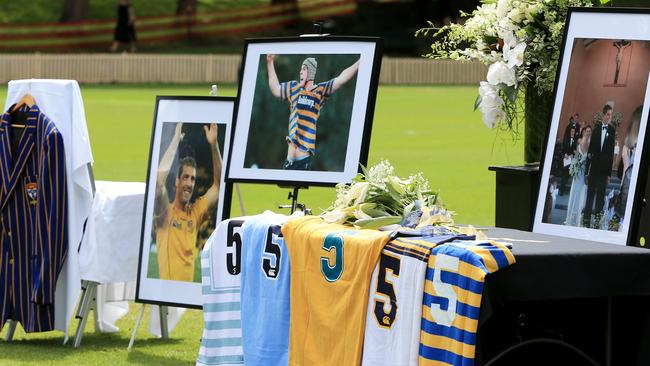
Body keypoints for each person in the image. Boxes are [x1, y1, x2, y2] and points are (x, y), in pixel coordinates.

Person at [266, 54, 360, 170]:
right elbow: (275, 89)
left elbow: (341, 79)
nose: (301, 72)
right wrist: (270, 62)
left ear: (310, 72)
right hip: (290, 157)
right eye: (301, 69)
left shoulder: (320, 91)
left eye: (304, 69)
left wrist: (359, 63)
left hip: (303, 157)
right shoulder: (294, 88)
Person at [154, 123, 222, 281]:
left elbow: (219, 185)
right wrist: (175, 141)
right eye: (185, 177)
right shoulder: (165, 211)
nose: (189, 183)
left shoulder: (195, 212)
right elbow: (158, 182)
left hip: (186, 300)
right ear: (177, 181)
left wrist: (214, 145)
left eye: (192, 179)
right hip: (167, 298)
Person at [583, 104, 616, 228]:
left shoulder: (612, 130)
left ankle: (596, 221)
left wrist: (608, 174)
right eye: (608, 114)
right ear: (603, 115)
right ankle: (586, 220)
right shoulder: (596, 129)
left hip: (603, 171)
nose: (609, 117)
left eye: (611, 115)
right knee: (590, 194)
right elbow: (591, 151)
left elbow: (611, 153)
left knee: (601, 196)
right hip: (594, 169)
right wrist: (587, 169)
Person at [564, 126, 591, 226]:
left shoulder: (590, 144)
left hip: (584, 172)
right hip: (578, 172)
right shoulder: (580, 142)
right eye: (586, 131)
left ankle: (578, 216)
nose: (588, 132)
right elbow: (576, 156)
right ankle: (570, 216)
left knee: (581, 193)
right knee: (574, 192)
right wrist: (574, 166)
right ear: (584, 132)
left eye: (589, 131)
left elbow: (590, 159)